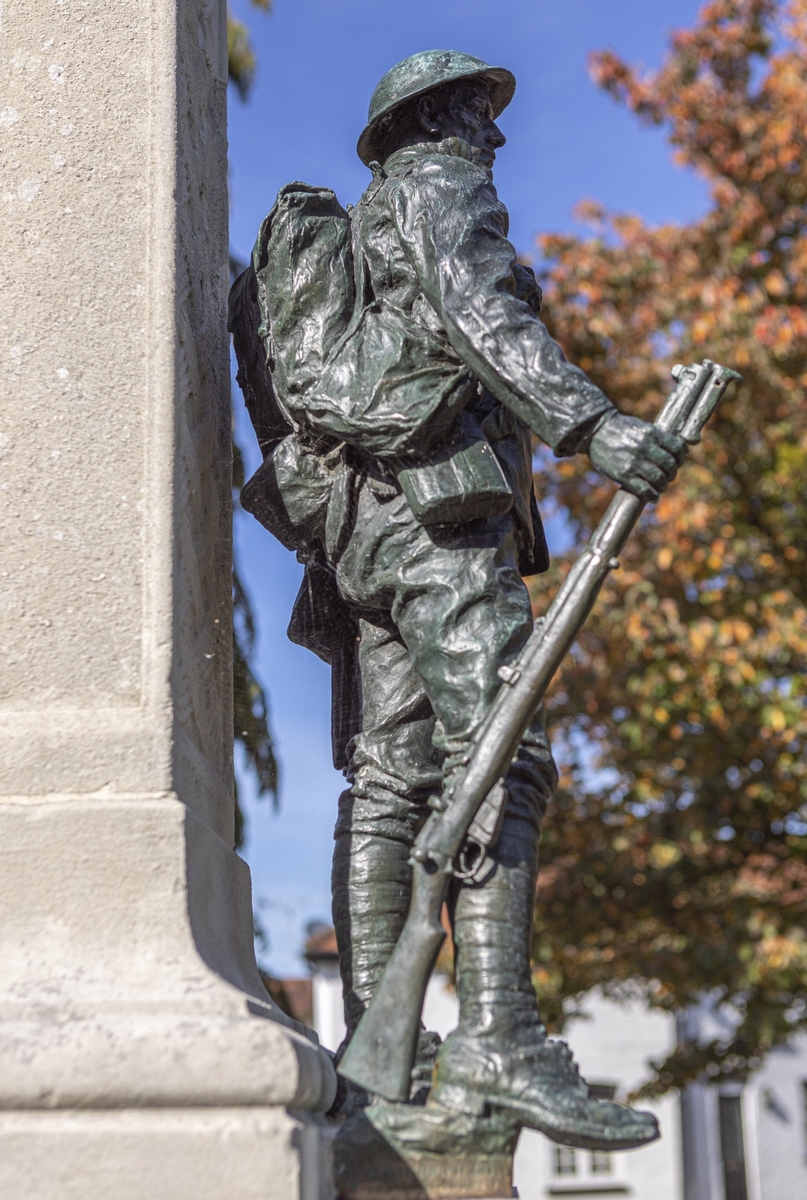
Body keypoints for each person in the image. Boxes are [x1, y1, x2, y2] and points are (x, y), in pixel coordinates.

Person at [236, 50, 685, 1148]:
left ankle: (374, 1050)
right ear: (433, 118)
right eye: (477, 114)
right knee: (502, 751)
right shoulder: (437, 186)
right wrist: (594, 425)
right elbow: (490, 317)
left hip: (370, 530)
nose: (491, 137)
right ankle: (500, 1031)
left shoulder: (374, 220)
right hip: (442, 514)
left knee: (391, 778)